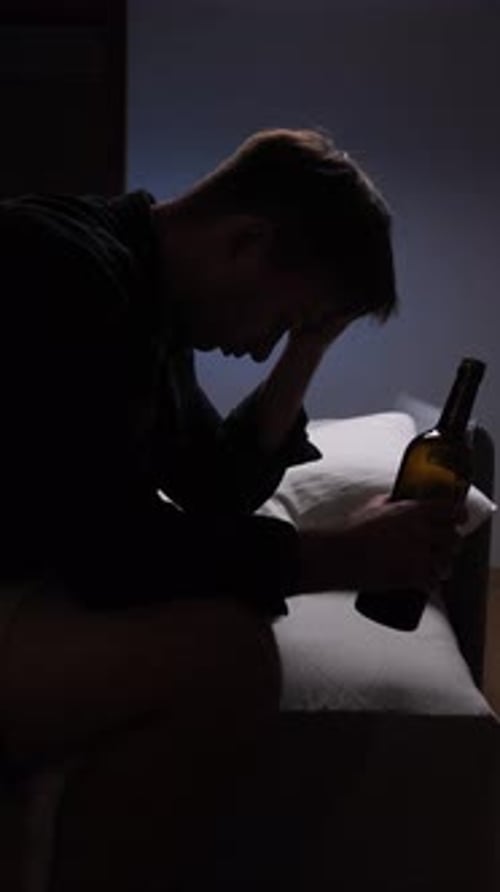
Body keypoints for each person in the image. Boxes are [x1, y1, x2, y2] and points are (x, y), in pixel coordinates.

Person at [0, 129, 459, 889]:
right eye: (284, 319)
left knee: (228, 621)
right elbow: (111, 554)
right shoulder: (58, 269)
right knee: (226, 657)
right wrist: (339, 555)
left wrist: (307, 349)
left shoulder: (147, 298)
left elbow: (213, 486)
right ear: (246, 241)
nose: (263, 345)